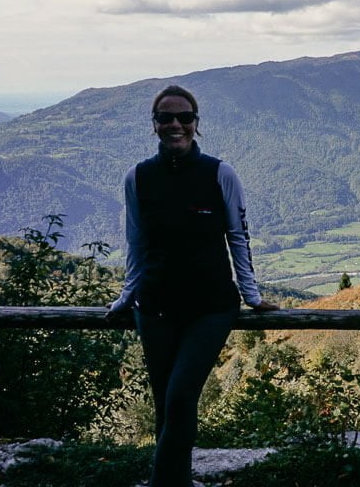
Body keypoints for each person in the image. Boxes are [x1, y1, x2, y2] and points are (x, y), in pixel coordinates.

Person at [106, 84, 278, 487]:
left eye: (184, 117)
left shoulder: (220, 174)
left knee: (181, 397)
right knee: (165, 404)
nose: (176, 125)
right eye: (165, 117)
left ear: (196, 123)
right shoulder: (138, 177)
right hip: (154, 307)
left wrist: (251, 295)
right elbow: (136, 242)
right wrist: (127, 295)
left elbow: (238, 236)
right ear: (154, 124)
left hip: (211, 308)